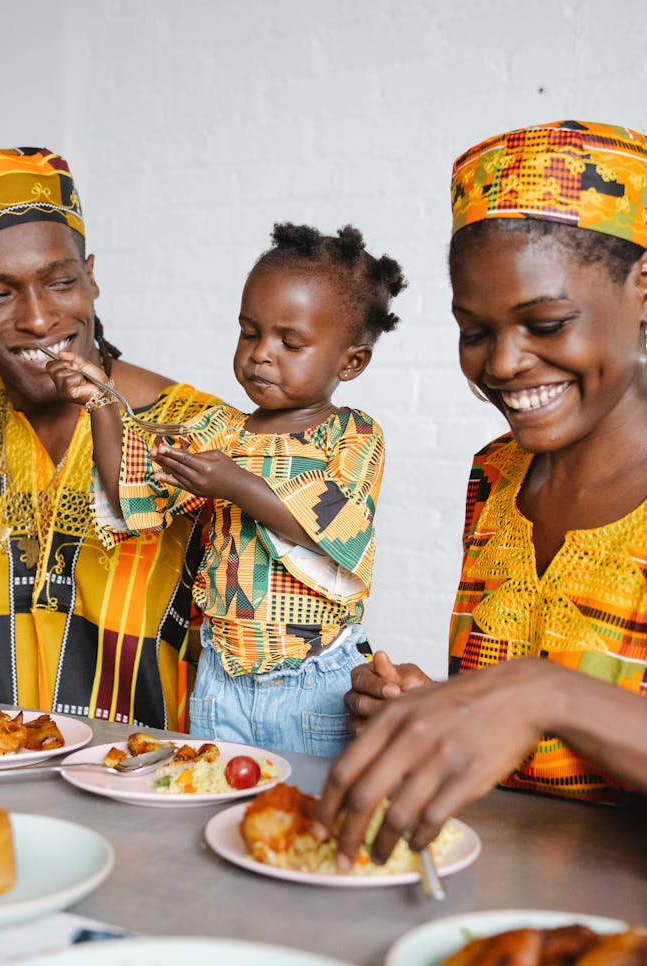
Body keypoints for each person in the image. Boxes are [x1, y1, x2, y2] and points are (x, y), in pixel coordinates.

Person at [315, 119, 647, 863]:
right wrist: (441, 709)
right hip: (494, 895)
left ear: (644, 290)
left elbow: (544, 700)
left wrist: (541, 693)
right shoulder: (497, 476)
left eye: (547, 322)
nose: (502, 363)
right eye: (475, 330)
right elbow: (531, 750)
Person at [46, 222, 406, 755]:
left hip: (312, 681)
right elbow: (132, 494)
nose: (261, 353)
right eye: (249, 332)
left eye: (291, 342)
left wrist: (235, 484)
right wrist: (100, 402)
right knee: (213, 801)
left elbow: (335, 533)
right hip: (220, 681)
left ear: (350, 361)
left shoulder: (353, 435)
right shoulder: (220, 431)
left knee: (307, 815)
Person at [0, 146, 219, 728]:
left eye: (61, 282)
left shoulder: (198, 432)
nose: (40, 319)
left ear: (91, 278)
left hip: (158, 787)